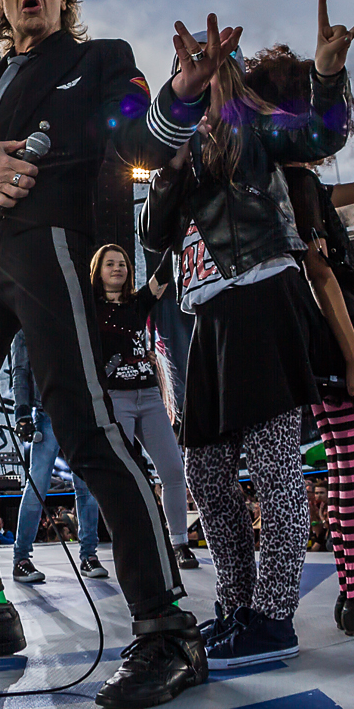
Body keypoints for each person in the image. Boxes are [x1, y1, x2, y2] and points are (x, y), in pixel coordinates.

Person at [0, 0, 221, 709]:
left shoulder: (100, 59)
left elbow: (144, 139)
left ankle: (168, 628)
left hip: (51, 250)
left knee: (84, 430)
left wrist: (182, 93)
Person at [143, 0, 354, 669]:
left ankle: (273, 619)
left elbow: (322, 138)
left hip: (264, 300)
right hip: (208, 316)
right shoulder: (180, 161)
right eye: (195, 70)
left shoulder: (257, 132)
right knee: (206, 470)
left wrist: (328, 77)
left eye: (220, 68)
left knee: (274, 468)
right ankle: (237, 607)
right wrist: (171, 164)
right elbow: (153, 237)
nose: (208, 78)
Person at [88, 243, 197, 570]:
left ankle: (179, 543)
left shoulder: (139, 303)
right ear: (98, 271)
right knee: (126, 477)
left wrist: (177, 234)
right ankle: (133, 543)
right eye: (110, 264)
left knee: (174, 471)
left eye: (122, 263)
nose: (118, 268)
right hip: (116, 399)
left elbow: (164, 272)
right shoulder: (88, 308)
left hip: (149, 397)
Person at [9, 332, 104, 583]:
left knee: (85, 486)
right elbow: (20, 371)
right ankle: (21, 559)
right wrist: (22, 413)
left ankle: (89, 555)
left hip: (78, 411)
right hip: (47, 412)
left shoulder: (70, 312)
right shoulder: (27, 322)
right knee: (37, 485)